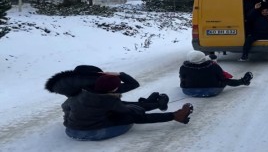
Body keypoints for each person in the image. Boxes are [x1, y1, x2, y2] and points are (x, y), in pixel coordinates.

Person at [61, 74, 193, 141]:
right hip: (92, 132)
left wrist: (73, 118)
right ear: (113, 89)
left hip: (71, 130)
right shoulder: (108, 99)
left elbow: (65, 107)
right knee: (134, 116)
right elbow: (128, 111)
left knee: (121, 108)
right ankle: (175, 116)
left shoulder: (82, 93)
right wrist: (139, 108)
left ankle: (153, 104)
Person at [179, 50, 253, 97]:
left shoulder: (184, 67)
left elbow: (182, 78)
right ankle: (243, 81)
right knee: (225, 80)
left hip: (188, 91)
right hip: (212, 90)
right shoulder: (212, 66)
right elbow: (222, 77)